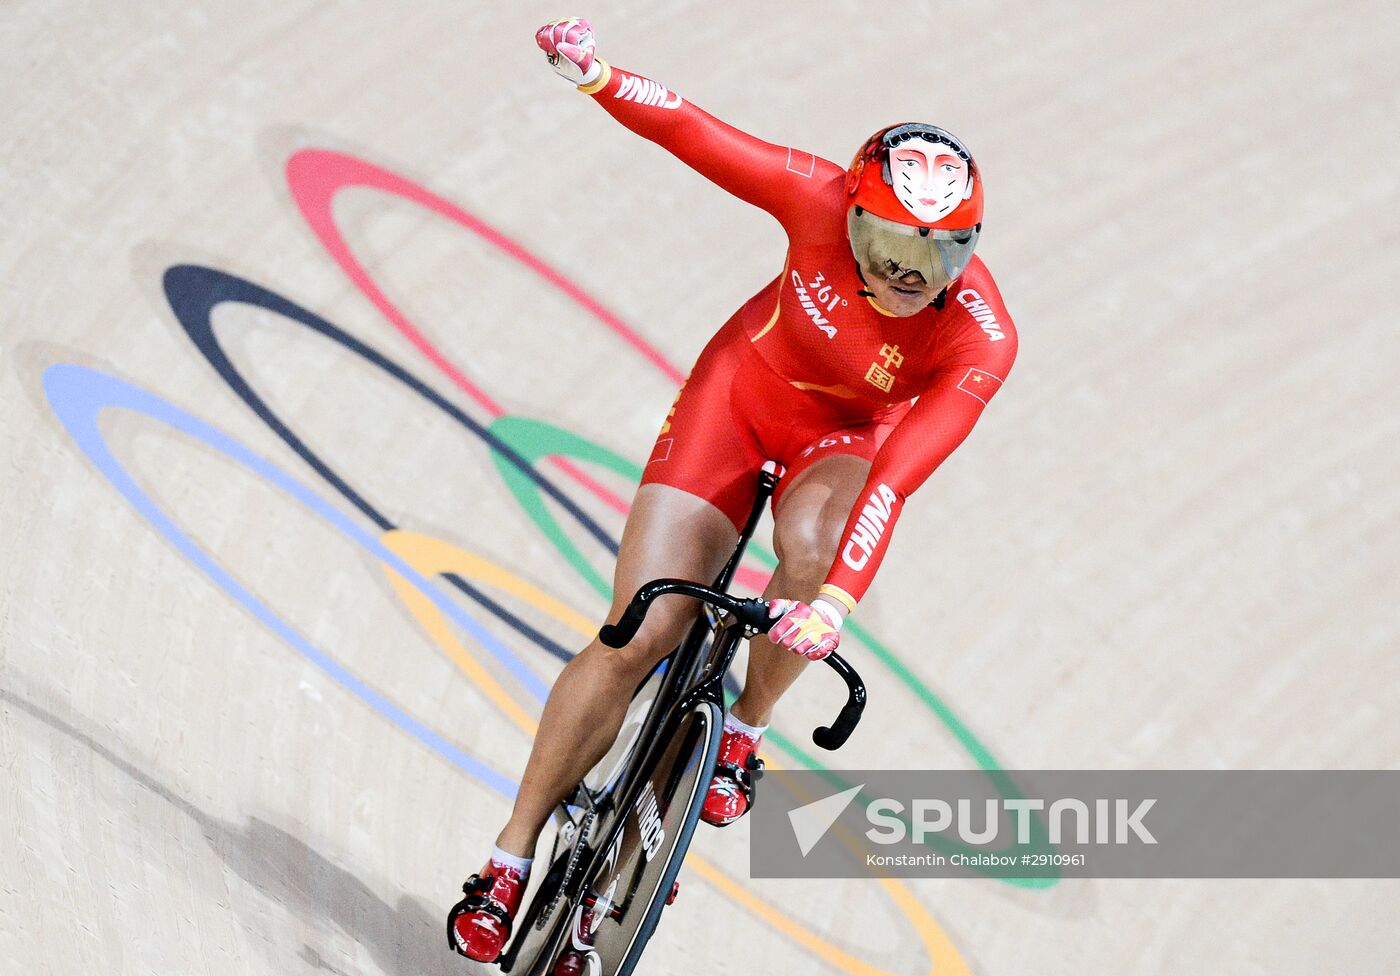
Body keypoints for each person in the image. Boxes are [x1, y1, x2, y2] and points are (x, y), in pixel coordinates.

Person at [448, 17, 1018, 963]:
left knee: (813, 555)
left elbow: (896, 483)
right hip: (741, 397)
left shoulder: (981, 339)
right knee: (641, 628)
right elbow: (698, 135)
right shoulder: (810, 194)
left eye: (942, 252)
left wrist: (831, 605)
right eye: (887, 246)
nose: (911, 275)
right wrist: (596, 76)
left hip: (843, 443)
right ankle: (508, 859)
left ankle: (745, 727)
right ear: (848, 211)